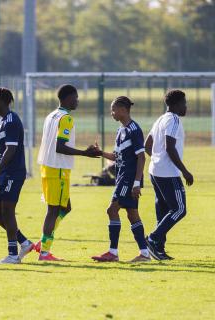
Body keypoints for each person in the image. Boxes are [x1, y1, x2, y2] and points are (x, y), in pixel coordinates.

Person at [36, 84, 100, 261]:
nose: (77, 100)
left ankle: (42, 244)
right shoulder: (66, 118)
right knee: (54, 210)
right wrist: (85, 153)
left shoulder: (51, 115)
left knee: (66, 207)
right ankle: (44, 253)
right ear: (66, 98)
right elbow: (60, 146)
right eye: (75, 97)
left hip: (47, 166)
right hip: (57, 169)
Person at [91, 96, 151, 263]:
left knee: (112, 210)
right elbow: (117, 157)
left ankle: (113, 252)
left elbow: (142, 158)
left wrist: (137, 183)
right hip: (122, 178)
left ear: (123, 110)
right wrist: (101, 153)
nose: (112, 113)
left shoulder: (134, 129)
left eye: (113, 109)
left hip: (129, 179)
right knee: (132, 214)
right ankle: (144, 253)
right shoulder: (120, 130)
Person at [144, 89, 193, 261]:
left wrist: (157, 160)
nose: (186, 106)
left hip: (155, 171)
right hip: (168, 173)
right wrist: (185, 171)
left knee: (164, 210)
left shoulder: (160, 119)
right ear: (176, 104)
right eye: (184, 103)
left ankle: (158, 248)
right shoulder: (173, 119)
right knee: (179, 209)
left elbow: (147, 145)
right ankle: (153, 238)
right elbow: (169, 147)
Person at [0, 87, 34, 264]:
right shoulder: (3, 120)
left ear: (1, 100)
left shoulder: (12, 121)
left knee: (7, 211)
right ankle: (24, 242)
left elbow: (11, 150)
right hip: (3, 174)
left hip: (13, 173)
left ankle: (13, 255)